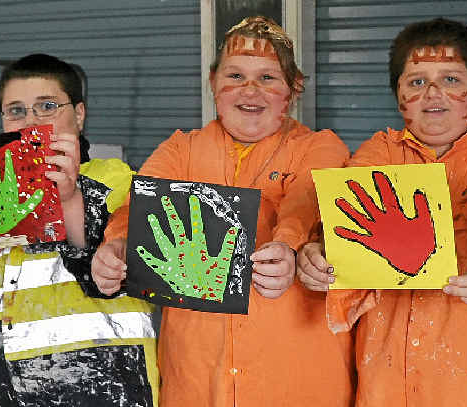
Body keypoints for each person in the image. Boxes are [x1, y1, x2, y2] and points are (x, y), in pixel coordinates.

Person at [92, 16, 354, 407]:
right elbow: (138, 207)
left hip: (299, 381)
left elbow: (305, 201)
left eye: (268, 77)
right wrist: (116, 246)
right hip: (197, 381)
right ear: (213, 81)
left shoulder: (322, 147)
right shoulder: (180, 150)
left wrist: (289, 245)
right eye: (235, 75)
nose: (250, 90)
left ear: (294, 88)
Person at [295, 18, 467, 406]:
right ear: (398, 95)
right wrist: (317, 253)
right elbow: (343, 215)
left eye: (451, 79)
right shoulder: (378, 152)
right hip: (385, 376)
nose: (432, 93)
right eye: (417, 81)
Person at [0, 53, 158, 406]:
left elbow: (115, 273)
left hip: (101, 390)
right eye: (16, 111)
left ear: (79, 114)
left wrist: (69, 198)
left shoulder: (121, 180)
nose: (31, 121)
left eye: (47, 106)